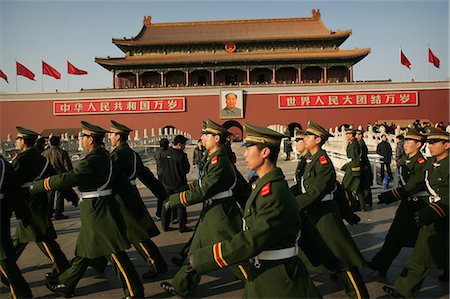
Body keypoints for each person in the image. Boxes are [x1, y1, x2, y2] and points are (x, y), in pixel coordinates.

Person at [185, 123, 321, 298]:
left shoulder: (273, 193)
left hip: (278, 278)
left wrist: (204, 258)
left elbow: (253, 239)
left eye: (249, 148)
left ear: (265, 153)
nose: (245, 154)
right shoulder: (264, 186)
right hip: (262, 271)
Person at [31, 121, 144, 298]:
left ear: (91, 139)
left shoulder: (90, 162)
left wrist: (37, 186)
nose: (80, 139)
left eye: (82, 136)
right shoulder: (107, 158)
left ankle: (134, 292)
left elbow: (67, 179)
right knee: (84, 251)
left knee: (114, 253)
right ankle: (67, 284)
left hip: (97, 212)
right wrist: (136, 206)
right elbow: (124, 186)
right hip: (99, 209)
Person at [160, 119, 247, 297]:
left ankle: (257, 282)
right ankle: (181, 286)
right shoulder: (213, 157)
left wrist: (176, 200)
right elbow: (202, 182)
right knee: (195, 253)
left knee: (235, 256)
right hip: (211, 213)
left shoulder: (220, 161)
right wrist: (184, 189)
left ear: (216, 138)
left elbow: (206, 189)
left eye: (207, 134)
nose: (203, 137)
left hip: (221, 216)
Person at [295, 120, 369, 299]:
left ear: (318, 140)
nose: (304, 139)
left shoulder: (322, 162)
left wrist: (292, 206)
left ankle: (359, 295)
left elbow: (316, 191)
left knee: (342, 257)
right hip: (313, 213)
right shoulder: (310, 160)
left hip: (324, 215)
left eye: (308, 136)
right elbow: (302, 188)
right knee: (319, 254)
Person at [383, 127, 448, 298]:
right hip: (435, 215)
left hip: (442, 213)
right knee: (421, 254)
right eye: (430, 142)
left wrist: (437, 209)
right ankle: (404, 290)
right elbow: (415, 183)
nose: (431, 146)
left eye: (435, 142)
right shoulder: (430, 164)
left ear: (447, 145)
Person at [108, 120, 168, 279]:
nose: (109, 137)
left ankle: (156, 264)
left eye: (112, 134)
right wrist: (162, 194)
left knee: (136, 233)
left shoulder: (117, 155)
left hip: (121, 197)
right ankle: (97, 261)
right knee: (108, 233)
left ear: (118, 137)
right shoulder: (133, 154)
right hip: (131, 192)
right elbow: (146, 176)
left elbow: (110, 178)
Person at [11, 127, 69, 280]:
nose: (16, 141)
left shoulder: (22, 159)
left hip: (29, 202)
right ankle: (6, 266)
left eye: (18, 139)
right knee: (21, 237)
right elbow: (54, 177)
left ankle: (62, 266)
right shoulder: (41, 158)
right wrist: (69, 193)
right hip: (38, 199)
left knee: (40, 236)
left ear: (23, 141)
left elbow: (11, 181)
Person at [369, 128, 428, 277]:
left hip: (420, 205)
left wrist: (389, 196)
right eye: (405, 141)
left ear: (419, 144)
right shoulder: (404, 161)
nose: (405, 144)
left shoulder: (421, 163)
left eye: (409, 141)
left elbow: (412, 186)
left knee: (426, 242)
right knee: (394, 235)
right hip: (407, 204)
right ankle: (380, 264)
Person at [0, 154, 33, 298]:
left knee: (4, 258)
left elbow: (14, 190)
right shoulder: (4, 164)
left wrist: (23, 213)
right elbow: (15, 191)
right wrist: (23, 213)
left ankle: (22, 292)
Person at [159, 134, 192, 232]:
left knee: (166, 205)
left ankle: (165, 226)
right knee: (181, 206)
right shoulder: (181, 156)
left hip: (166, 184)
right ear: (179, 144)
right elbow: (186, 170)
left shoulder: (164, 154)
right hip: (179, 185)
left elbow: (161, 168)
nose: (184, 146)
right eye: (184, 144)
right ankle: (182, 227)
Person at [42, 135, 78, 220]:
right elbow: (67, 166)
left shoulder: (44, 153)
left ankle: (48, 213)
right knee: (60, 195)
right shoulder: (62, 152)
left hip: (48, 177)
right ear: (59, 142)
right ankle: (58, 213)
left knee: (50, 196)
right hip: (60, 176)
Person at [341, 128, 363, 210]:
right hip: (350, 166)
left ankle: (352, 205)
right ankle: (354, 204)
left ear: (351, 135)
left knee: (346, 186)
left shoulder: (354, 143)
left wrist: (355, 169)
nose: (346, 135)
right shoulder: (351, 143)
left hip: (353, 168)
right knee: (351, 187)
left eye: (348, 134)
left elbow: (355, 157)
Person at [356, 129, 373, 207]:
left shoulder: (361, 144)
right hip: (364, 165)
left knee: (364, 185)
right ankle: (367, 201)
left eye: (358, 134)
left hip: (364, 166)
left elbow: (360, 157)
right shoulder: (360, 143)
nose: (356, 136)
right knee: (365, 185)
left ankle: (365, 201)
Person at [154, 137, 169, 220]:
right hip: (166, 175)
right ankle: (166, 214)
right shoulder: (165, 153)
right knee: (167, 195)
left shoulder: (157, 152)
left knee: (160, 195)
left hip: (159, 174)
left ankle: (158, 213)